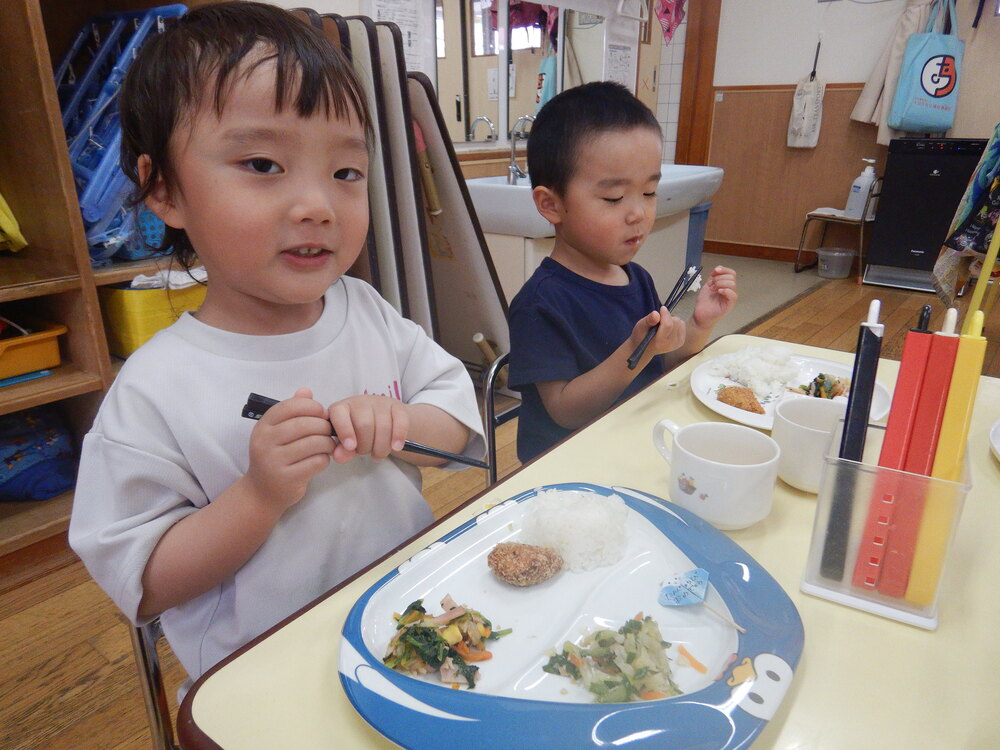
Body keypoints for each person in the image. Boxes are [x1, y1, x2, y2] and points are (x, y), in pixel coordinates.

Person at [68, 2, 484, 687]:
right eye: (263, 163)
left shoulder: (366, 312)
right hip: (260, 673)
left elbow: (459, 418)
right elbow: (142, 581)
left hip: (402, 628)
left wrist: (401, 423)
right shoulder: (155, 388)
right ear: (164, 190)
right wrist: (256, 497)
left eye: (346, 173)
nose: (317, 204)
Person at [508, 81, 738, 462]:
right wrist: (633, 351)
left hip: (635, 443)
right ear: (551, 205)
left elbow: (658, 365)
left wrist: (700, 326)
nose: (639, 213)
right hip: (568, 470)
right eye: (614, 198)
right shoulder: (541, 303)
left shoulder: (637, 278)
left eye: (649, 193)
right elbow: (565, 411)